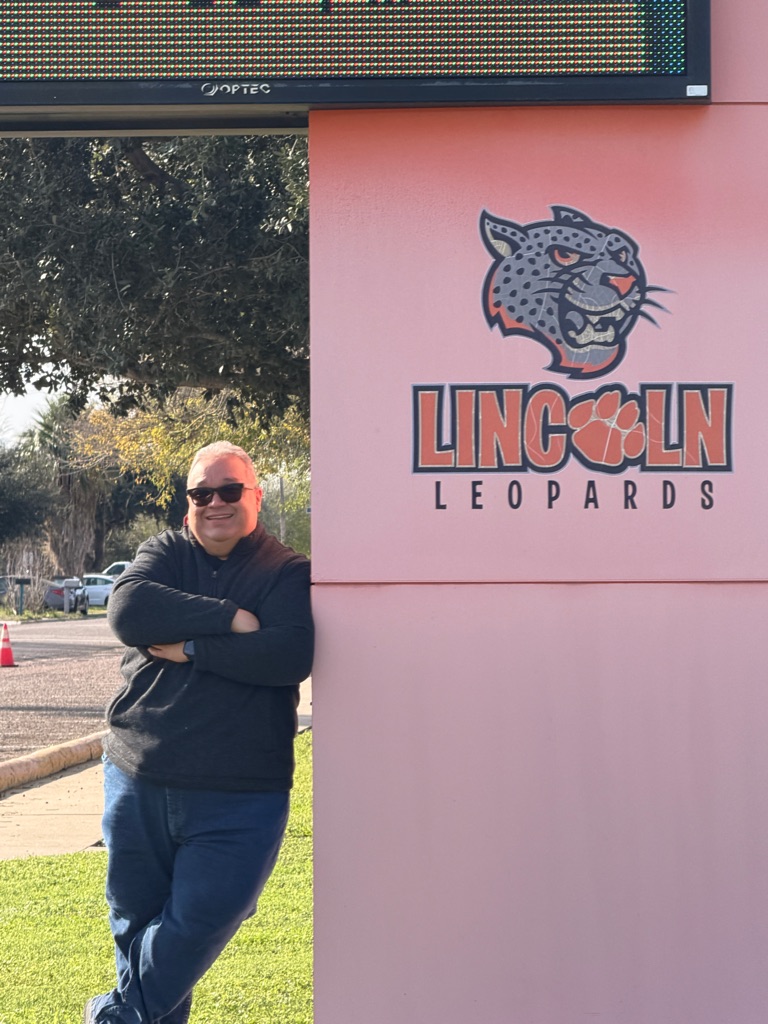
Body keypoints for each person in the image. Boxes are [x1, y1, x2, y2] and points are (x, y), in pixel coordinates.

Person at [84, 441, 314, 1024]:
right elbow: (128, 612)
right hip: (138, 775)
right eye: (201, 493)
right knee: (135, 926)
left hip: (241, 793)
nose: (215, 503)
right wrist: (230, 619)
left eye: (229, 490)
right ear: (188, 503)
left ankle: (113, 1015)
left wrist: (189, 647)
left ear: (255, 496)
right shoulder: (163, 552)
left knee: (197, 925)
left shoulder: (287, 571)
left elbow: (288, 654)